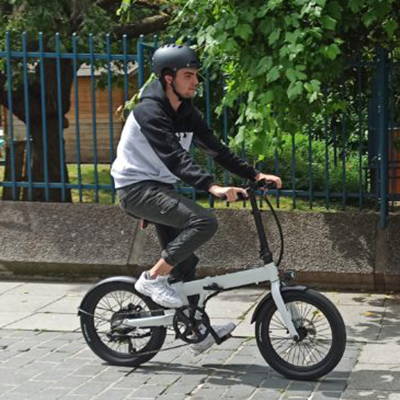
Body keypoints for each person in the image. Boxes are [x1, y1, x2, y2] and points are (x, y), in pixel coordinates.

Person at [111, 44, 282, 354]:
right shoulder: (149, 111)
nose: (195, 82)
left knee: (186, 261)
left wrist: (254, 175)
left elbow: (217, 149)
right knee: (203, 221)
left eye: (196, 76)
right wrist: (211, 187)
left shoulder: (186, 113)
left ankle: (195, 330)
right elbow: (174, 157)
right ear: (167, 78)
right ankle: (150, 279)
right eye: (188, 75)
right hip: (136, 188)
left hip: (159, 189)